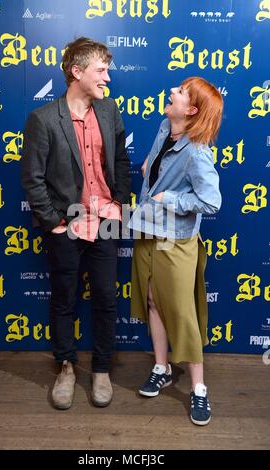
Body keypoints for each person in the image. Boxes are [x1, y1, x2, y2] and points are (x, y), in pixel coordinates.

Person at [21, 37, 131, 410]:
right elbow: (33, 178)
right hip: (66, 226)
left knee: (106, 296)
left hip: (105, 221)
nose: (108, 79)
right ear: (77, 72)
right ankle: (66, 365)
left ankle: (101, 368)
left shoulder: (110, 111)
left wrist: (118, 203)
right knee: (64, 299)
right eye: (101, 71)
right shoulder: (43, 119)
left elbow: (120, 164)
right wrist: (52, 221)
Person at [129, 77, 223, 425]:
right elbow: (156, 166)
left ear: (192, 110)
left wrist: (170, 199)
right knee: (153, 299)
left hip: (176, 240)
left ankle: (198, 389)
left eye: (181, 93)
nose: (172, 92)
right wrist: (149, 174)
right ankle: (161, 367)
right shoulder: (164, 126)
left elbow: (211, 202)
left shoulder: (198, 151)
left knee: (182, 312)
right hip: (147, 231)